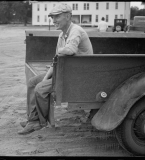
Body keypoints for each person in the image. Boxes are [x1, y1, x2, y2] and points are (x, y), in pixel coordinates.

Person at [18, 3, 93, 135]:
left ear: (68, 16)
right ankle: (32, 119)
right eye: (52, 17)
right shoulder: (61, 35)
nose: (54, 21)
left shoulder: (76, 30)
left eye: (57, 16)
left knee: (40, 89)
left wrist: (59, 52)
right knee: (33, 83)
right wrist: (46, 78)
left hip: (79, 76)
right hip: (66, 72)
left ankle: (39, 123)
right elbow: (56, 61)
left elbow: (70, 50)